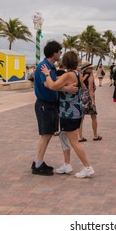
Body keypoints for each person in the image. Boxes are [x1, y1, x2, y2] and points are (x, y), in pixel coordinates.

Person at [41, 50, 95, 178]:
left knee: (74, 141)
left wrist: (47, 75)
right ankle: (67, 164)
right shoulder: (77, 74)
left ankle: (88, 167)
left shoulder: (68, 75)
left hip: (68, 112)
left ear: (65, 62)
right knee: (63, 136)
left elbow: (53, 86)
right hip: (75, 111)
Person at [31, 40, 77, 176]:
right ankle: (37, 164)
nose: (60, 55)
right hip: (45, 104)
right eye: (59, 52)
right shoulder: (43, 67)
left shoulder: (50, 67)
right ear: (54, 53)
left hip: (50, 104)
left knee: (48, 134)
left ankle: (38, 161)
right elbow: (49, 85)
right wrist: (66, 88)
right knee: (45, 135)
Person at [77, 61, 102, 142]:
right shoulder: (90, 77)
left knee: (81, 118)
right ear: (87, 69)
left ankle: (80, 137)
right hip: (88, 98)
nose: (92, 69)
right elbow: (90, 89)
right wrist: (93, 101)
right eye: (91, 68)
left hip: (81, 98)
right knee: (93, 117)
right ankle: (95, 135)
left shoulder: (81, 76)